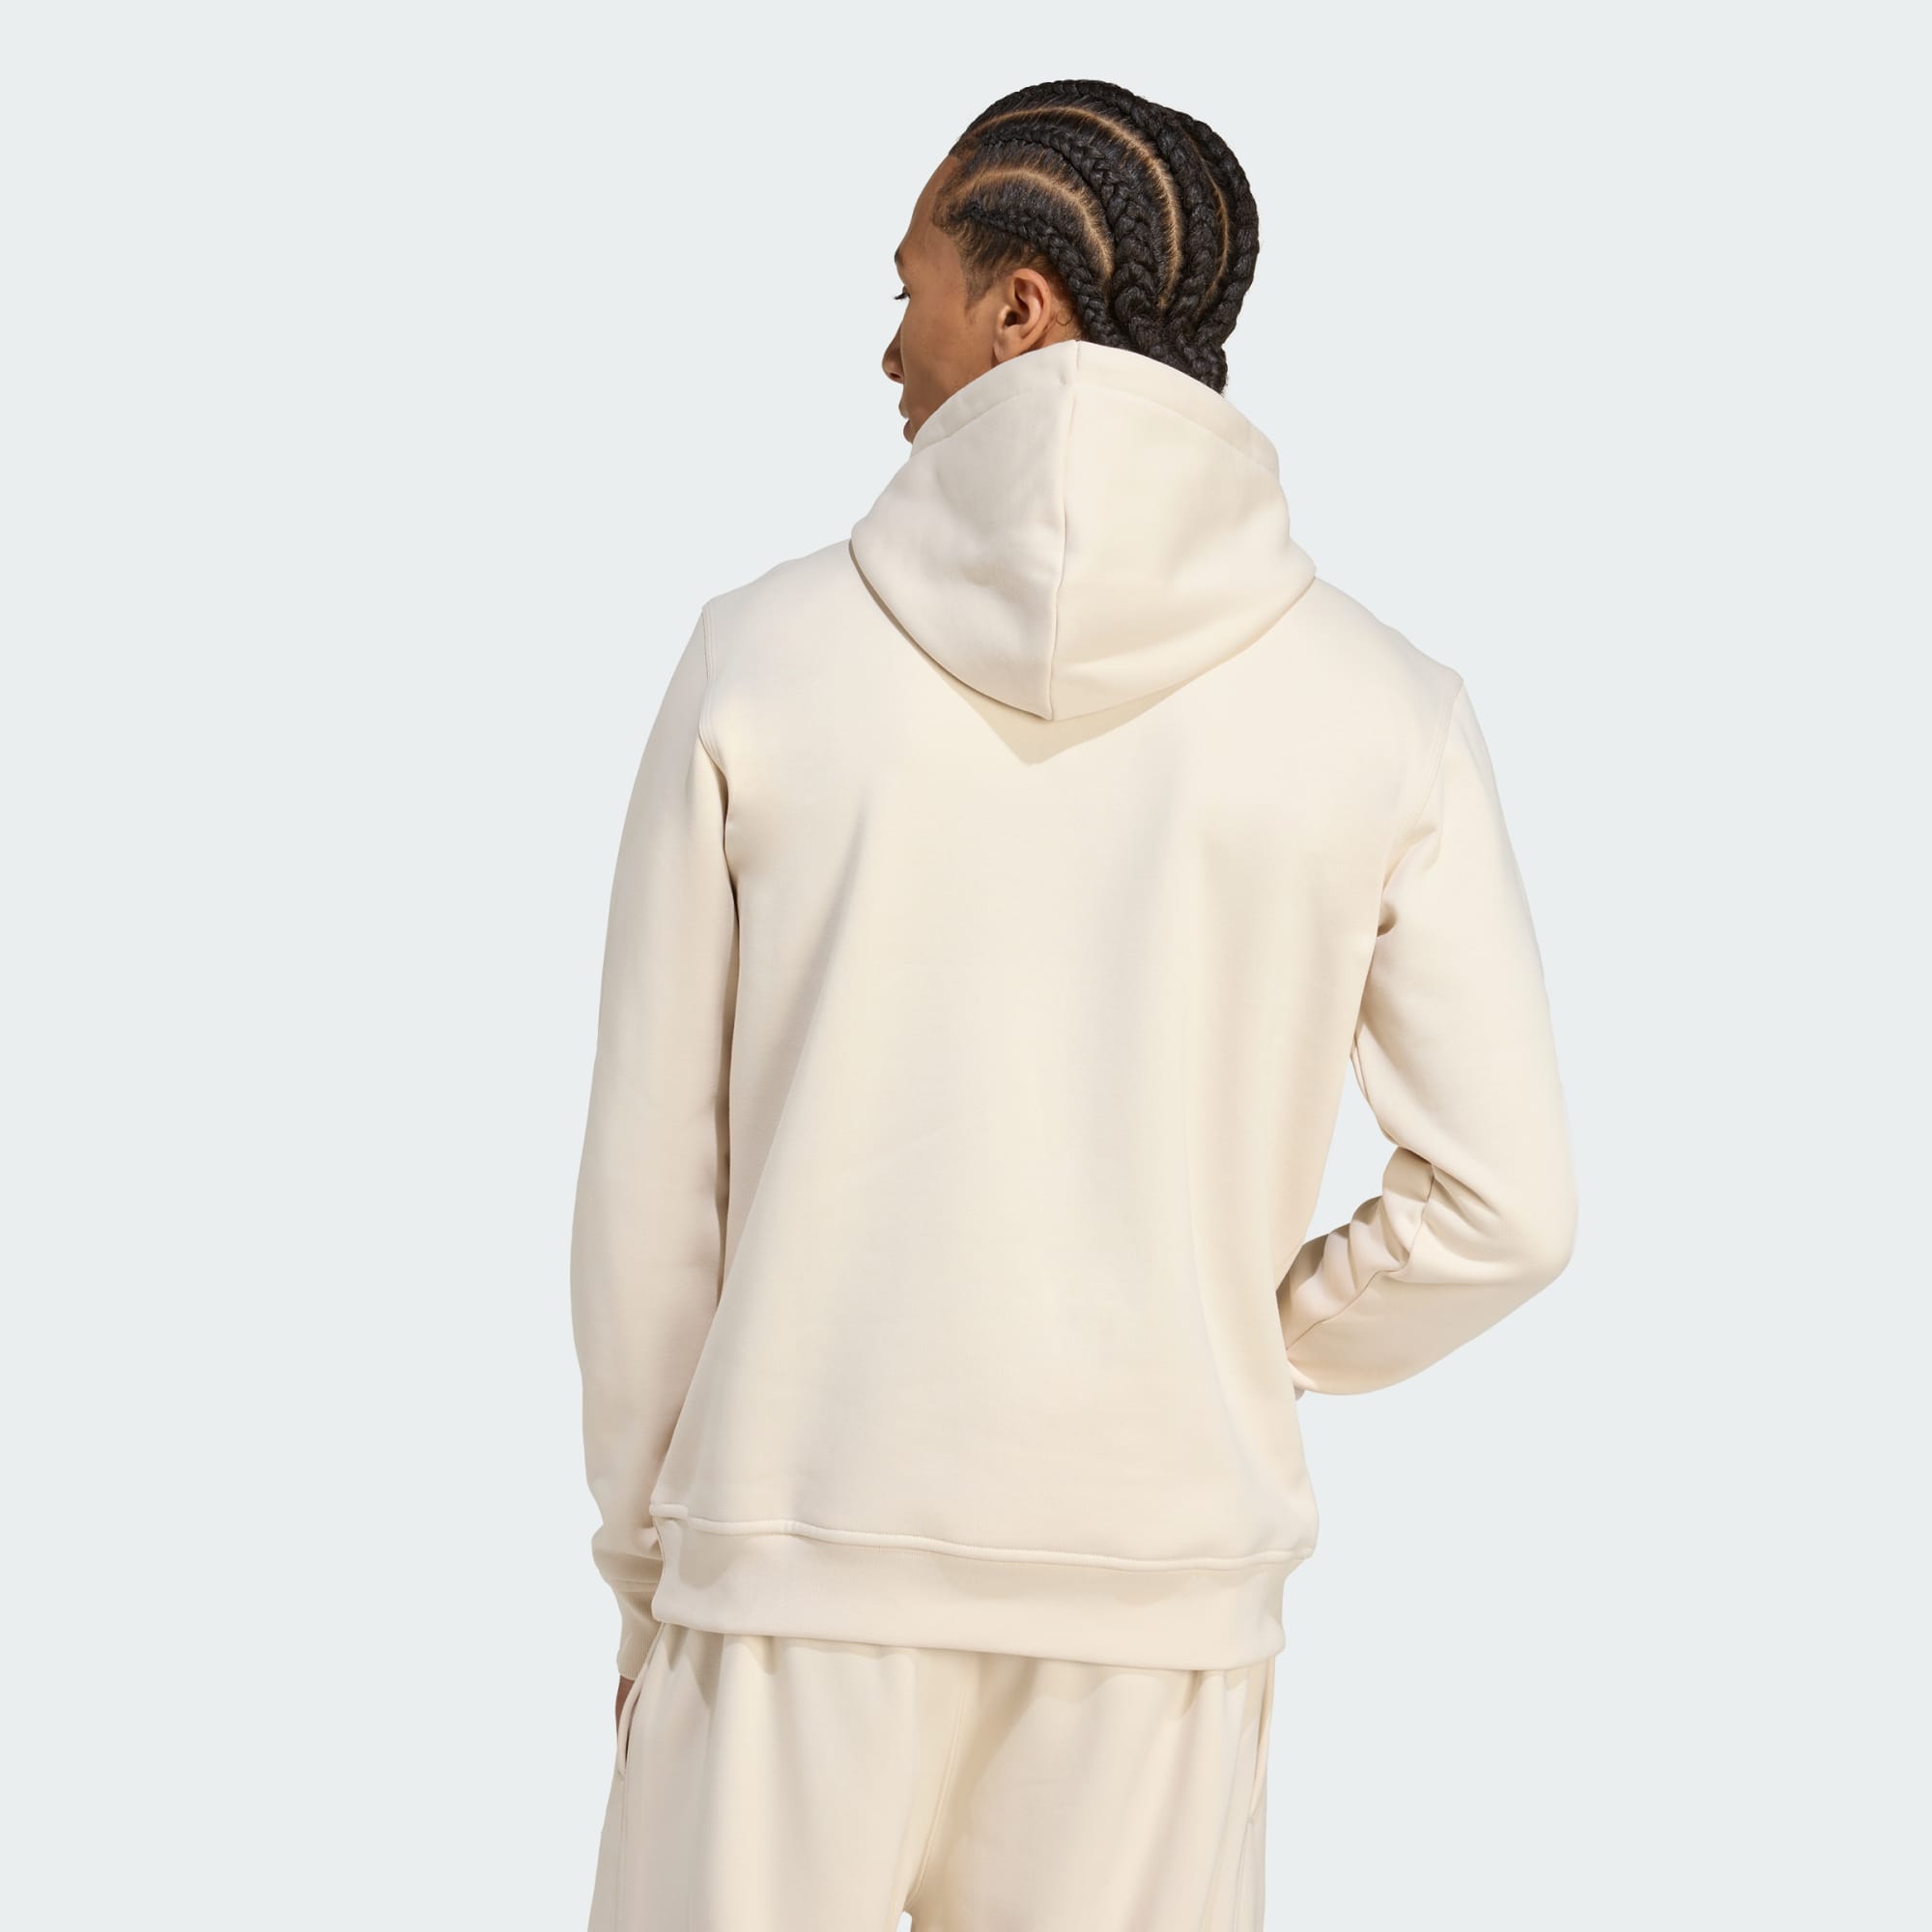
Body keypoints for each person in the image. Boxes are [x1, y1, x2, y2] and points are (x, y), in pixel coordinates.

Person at [570, 75, 1577, 1932]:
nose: (889, 349)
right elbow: (1506, 1207)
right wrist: (1232, 1340)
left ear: (1020, 305)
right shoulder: (1387, 709)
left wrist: (649, 1588)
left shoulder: (760, 661)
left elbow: (651, 1193)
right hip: (1157, 1600)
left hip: (787, 1583)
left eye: (911, 289)